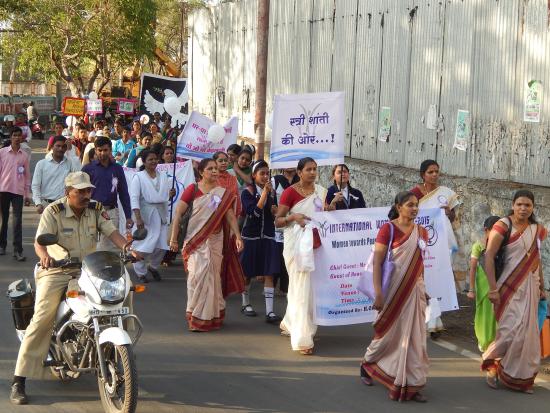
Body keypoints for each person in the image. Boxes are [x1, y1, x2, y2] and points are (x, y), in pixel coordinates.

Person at [9, 171, 142, 405]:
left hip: (89, 270)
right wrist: (46, 257)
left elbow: (111, 232)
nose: (85, 195)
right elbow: (41, 243)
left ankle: (121, 350)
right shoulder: (54, 211)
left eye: (88, 190)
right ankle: (19, 380)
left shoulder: (96, 209)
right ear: (67, 192)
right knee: (41, 319)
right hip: (57, 270)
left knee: (124, 290)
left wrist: (127, 249)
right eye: (80, 191)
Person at [360, 191, 429, 402]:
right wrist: (378, 293)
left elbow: (420, 262)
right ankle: (368, 364)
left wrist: (423, 287)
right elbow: (377, 263)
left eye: (416, 205)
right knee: (387, 333)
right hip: (392, 291)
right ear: (399, 207)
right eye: (410, 205)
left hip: (414, 290)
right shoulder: (387, 229)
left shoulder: (422, 231)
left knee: (415, 338)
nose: (414, 208)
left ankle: (412, 383)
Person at [481, 190, 547, 393]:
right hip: (507, 287)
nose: (523, 208)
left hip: (530, 287)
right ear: (512, 205)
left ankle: (520, 378)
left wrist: (542, 286)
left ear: (533, 207)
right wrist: (492, 289)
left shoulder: (537, 230)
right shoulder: (502, 226)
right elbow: (489, 257)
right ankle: (490, 361)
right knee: (510, 331)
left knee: (527, 335)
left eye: (527, 205)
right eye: (519, 204)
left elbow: (537, 260)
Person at [169, 158, 243, 331]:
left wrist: (238, 236)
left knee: (213, 276)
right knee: (197, 275)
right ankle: (195, 313)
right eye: (211, 169)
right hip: (195, 240)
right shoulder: (192, 189)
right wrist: (173, 239)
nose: (215, 171)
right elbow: (178, 214)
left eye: (216, 169)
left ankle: (212, 315)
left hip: (216, 240)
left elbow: (230, 216)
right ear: (201, 172)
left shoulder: (222, 192)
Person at [274, 157, 327, 355]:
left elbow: (323, 217)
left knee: (309, 289)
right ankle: (302, 338)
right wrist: (293, 217)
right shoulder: (289, 193)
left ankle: (289, 322)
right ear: (299, 172)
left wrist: (331, 207)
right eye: (308, 169)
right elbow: (278, 221)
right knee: (300, 288)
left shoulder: (321, 192)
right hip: (295, 246)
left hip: (314, 245)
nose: (313, 173)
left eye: (315, 169)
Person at [410, 159, 460, 338]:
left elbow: (453, 218)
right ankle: (424, 318)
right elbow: (409, 215)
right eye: (430, 172)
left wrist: (448, 212)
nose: (434, 175)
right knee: (425, 279)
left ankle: (435, 320)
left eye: (437, 171)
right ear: (423, 174)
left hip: (442, 243)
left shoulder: (445, 193)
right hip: (423, 243)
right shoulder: (413, 194)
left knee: (439, 277)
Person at [240, 160, 281, 323]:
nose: (265, 176)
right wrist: (264, 194)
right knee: (247, 273)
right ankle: (245, 303)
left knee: (269, 272)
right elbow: (254, 213)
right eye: (262, 173)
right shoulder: (247, 192)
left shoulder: (272, 192)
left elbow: (275, 213)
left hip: (269, 236)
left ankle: (270, 311)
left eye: (267, 173)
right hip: (251, 237)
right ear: (254, 175)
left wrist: (275, 211)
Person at [130, 150, 175, 283]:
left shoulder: (162, 176)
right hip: (145, 215)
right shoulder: (138, 177)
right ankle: (140, 272)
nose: (154, 161)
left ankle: (153, 267)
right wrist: (138, 218)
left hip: (160, 214)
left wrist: (169, 194)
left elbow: (164, 196)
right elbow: (134, 198)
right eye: (150, 159)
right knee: (143, 246)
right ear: (144, 161)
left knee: (162, 245)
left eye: (155, 159)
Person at [81, 136, 133, 251]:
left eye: (105, 150)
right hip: (90, 211)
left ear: (110, 150)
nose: (102, 153)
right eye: (99, 150)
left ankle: (106, 269)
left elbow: (123, 193)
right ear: (95, 150)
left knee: (109, 247)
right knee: (89, 245)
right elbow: (80, 193)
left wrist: (128, 216)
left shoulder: (117, 169)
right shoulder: (87, 169)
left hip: (111, 212)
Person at [213, 151, 246, 297]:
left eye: (225, 160)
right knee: (215, 255)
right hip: (214, 222)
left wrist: (236, 218)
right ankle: (213, 285)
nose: (224, 163)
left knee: (227, 254)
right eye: (220, 160)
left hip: (230, 220)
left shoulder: (232, 178)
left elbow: (236, 198)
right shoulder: (211, 178)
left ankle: (223, 286)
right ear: (214, 163)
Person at [467, 215, 500, 352]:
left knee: (496, 313)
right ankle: (484, 340)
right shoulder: (478, 246)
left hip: (498, 283)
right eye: (494, 230)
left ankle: (496, 341)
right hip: (483, 285)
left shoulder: (502, 245)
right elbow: (473, 268)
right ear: (486, 230)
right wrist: (471, 289)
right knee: (484, 312)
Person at [0, 127, 31, 261]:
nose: (17, 138)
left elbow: (27, 175)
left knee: (17, 222)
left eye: (19, 135)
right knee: (3, 220)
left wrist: (27, 194)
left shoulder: (24, 155)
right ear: (11, 137)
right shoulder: (2, 152)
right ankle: (2, 246)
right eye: (14, 135)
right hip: (3, 190)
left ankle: (18, 250)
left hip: (18, 192)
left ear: (21, 138)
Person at [32, 135, 79, 213]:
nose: (60, 149)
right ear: (51, 147)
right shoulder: (41, 164)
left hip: (65, 205)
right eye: (58, 146)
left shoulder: (70, 163)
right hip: (46, 205)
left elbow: (78, 175)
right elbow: (35, 185)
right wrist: (38, 203)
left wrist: (70, 151)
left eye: (63, 146)